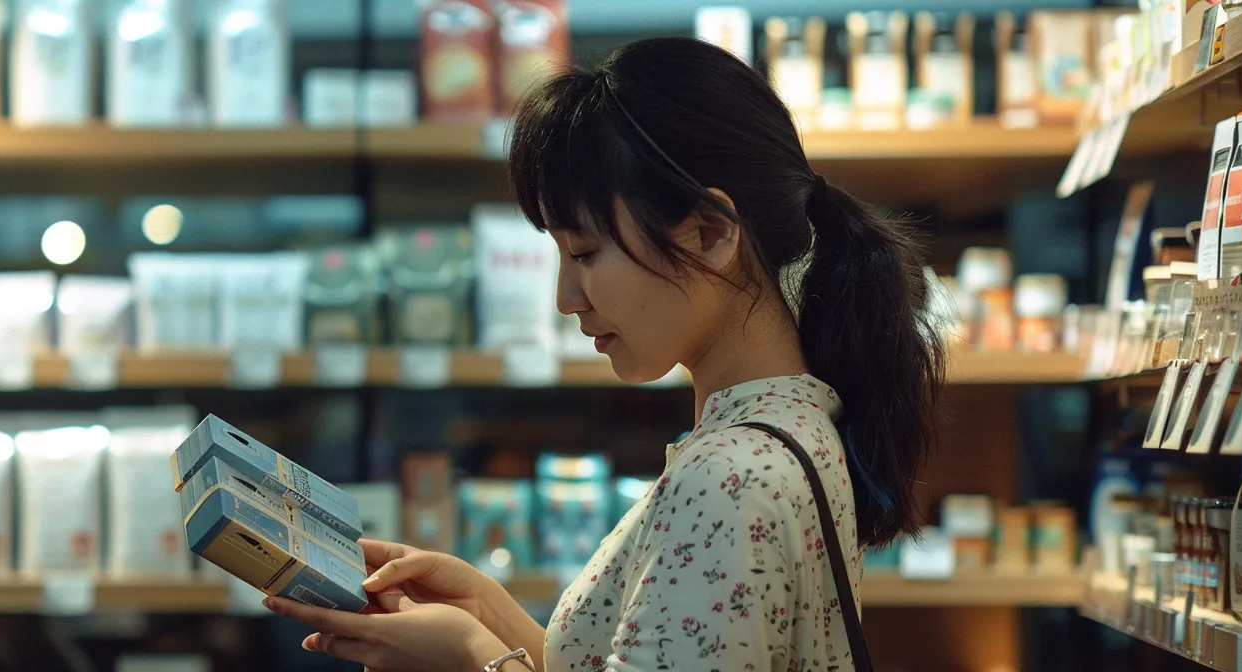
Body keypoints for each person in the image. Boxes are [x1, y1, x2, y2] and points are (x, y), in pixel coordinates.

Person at [262, 36, 942, 672]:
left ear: (710, 232)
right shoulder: (790, 428)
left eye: (585, 253)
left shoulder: (730, 475)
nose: (566, 296)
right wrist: (486, 609)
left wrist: (473, 657)